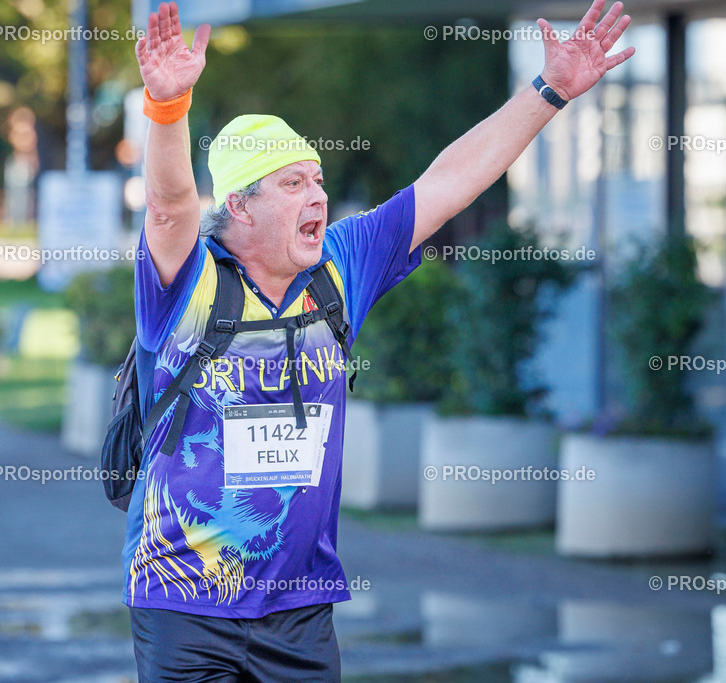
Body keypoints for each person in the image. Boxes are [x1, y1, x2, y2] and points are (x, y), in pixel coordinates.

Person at [125, 1, 634, 680]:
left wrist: (550, 92)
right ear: (239, 207)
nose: (318, 196)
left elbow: (448, 182)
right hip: (183, 603)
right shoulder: (186, 282)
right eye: (292, 183)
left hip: (300, 608)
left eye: (319, 180)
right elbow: (169, 206)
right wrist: (167, 107)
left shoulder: (340, 265)